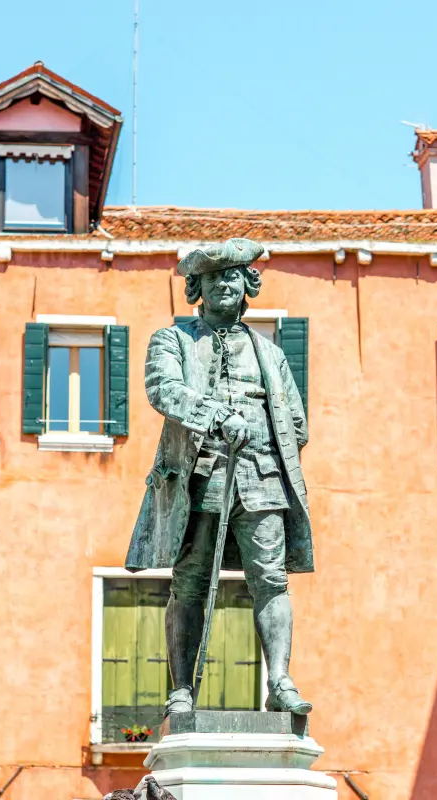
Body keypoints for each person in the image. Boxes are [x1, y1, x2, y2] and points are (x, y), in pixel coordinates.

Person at [126, 237, 313, 716]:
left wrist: (267, 443)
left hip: (263, 477)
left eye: (232, 275)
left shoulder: (270, 353)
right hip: (202, 474)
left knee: (271, 580)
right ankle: (181, 689)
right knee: (190, 580)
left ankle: (280, 682)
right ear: (197, 287)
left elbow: (296, 422)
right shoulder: (172, 340)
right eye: (212, 277)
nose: (224, 284)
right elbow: (164, 389)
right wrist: (217, 416)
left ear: (247, 283)